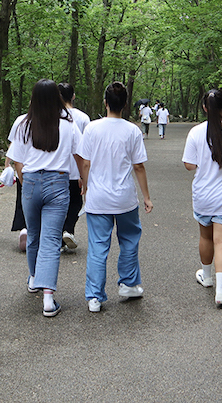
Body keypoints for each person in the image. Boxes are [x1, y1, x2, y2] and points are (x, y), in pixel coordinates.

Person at [6, 79, 83, 317]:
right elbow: (80, 155)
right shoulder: (68, 123)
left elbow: (17, 159)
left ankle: (33, 279)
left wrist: (24, 181)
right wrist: (84, 180)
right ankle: (48, 299)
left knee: (33, 235)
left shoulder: (23, 123)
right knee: (50, 240)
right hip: (58, 183)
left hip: (30, 182)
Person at [76, 82, 152, 313]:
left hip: (98, 198)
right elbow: (138, 166)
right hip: (125, 198)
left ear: (105, 103)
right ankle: (128, 284)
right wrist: (146, 197)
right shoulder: (132, 131)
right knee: (129, 240)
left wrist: (86, 186)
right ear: (125, 104)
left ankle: (94, 297)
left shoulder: (92, 128)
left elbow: (85, 163)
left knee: (98, 246)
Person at [181, 88, 222, 307]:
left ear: (204, 108)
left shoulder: (195, 132)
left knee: (206, 237)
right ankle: (221, 291)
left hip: (204, 196)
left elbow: (189, 165)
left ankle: (207, 276)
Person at [58, 82, 91, 251]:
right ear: (73, 96)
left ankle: (60, 237)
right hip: (76, 169)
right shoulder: (83, 118)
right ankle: (68, 229)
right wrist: (84, 175)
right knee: (75, 203)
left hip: (57, 169)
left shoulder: (52, 116)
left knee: (57, 205)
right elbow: (87, 147)